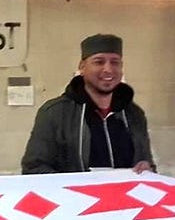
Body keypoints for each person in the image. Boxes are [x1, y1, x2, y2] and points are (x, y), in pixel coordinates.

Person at [21, 33, 155, 174]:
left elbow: (147, 162)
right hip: (74, 195)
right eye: (99, 62)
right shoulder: (54, 113)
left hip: (125, 195)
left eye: (115, 62)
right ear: (82, 67)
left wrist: (147, 168)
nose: (108, 69)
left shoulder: (134, 114)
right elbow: (34, 168)